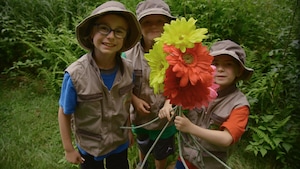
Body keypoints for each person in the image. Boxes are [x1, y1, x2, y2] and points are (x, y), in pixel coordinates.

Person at [57, 1, 141, 169]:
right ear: (91, 33)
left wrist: (129, 130)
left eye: (119, 31)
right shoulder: (75, 75)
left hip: (119, 142)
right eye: (104, 28)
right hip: (90, 147)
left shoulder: (128, 69)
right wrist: (68, 149)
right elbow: (64, 113)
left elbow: (125, 105)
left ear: (124, 39)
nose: (111, 36)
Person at [159, 40, 254, 169]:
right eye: (215, 63)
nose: (220, 69)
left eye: (228, 64)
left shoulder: (239, 105)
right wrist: (168, 104)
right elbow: (178, 92)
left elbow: (227, 139)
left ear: (239, 71)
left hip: (211, 165)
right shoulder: (197, 86)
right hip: (185, 158)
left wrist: (191, 128)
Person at [122, 0, 177, 168]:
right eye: (147, 22)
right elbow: (122, 86)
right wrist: (134, 100)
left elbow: (180, 84)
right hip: (139, 117)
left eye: (160, 21)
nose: (154, 26)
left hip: (164, 119)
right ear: (138, 27)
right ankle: (142, 164)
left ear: (169, 24)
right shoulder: (128, 55)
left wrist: (169, 103)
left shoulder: (177, 53)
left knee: (162, 150)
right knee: (143, 143)